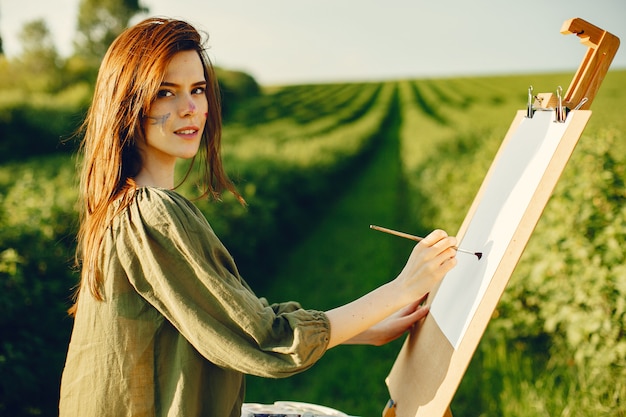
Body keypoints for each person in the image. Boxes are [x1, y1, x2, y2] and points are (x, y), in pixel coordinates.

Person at [59, 17, 458, 417]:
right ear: (127, 103)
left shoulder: (124, 206)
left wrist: (365, 329)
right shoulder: (151, 214)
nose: (190, 108)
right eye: (166, 93)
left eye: (197, 90)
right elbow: (262, 339)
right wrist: (403, 288)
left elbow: (228, 314)